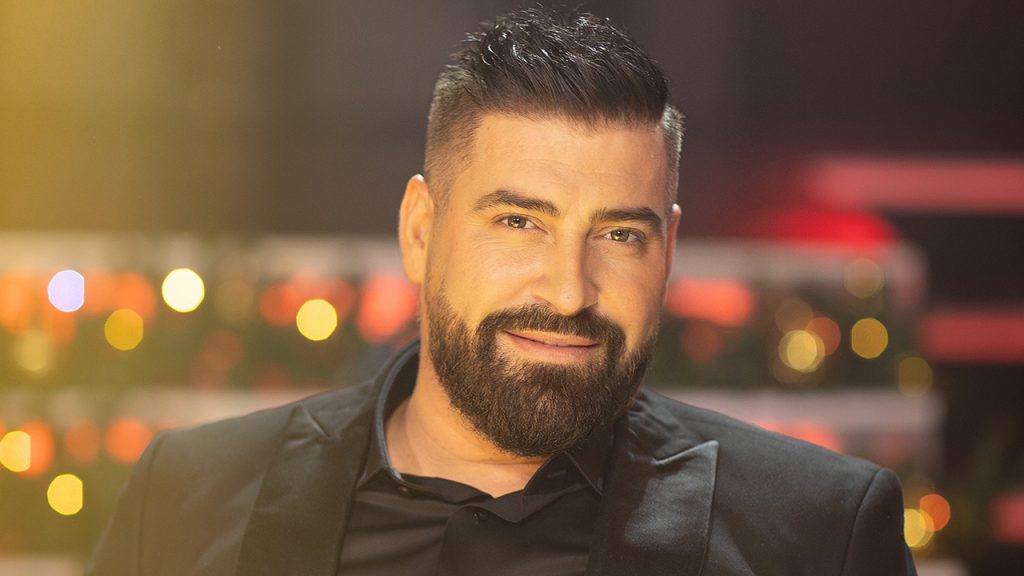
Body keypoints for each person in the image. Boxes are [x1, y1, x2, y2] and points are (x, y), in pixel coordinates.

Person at [88, 7, 916, 575]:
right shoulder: (188, 494)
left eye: (619, 235)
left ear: (668, 253)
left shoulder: (819, 534)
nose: (569, 291)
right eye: (520, 222)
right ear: (421, 231)